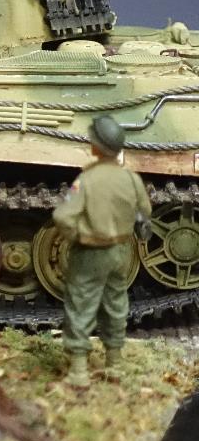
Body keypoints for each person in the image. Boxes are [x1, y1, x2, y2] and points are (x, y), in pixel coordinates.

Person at [52, 115, 151, 387]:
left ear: (96, 146)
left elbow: (62, 216)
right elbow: (145, 210)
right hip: (121, 251)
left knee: (81, 305)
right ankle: (115, 364)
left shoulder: (87, 179)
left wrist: (78, 235)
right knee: (116, 304)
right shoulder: (131, 178)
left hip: (90, 252)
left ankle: (79, 371)